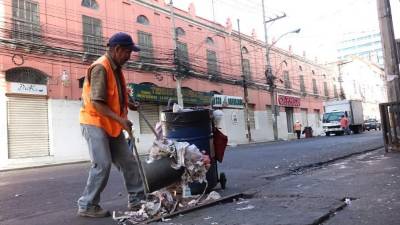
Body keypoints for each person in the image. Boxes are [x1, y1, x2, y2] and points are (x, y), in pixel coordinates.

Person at [77, 32, 144, 218]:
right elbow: (97, 103)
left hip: (111, 124)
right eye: (128, 52)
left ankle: (137, 199)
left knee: (128, 161)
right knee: (102, 164)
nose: (130, 56)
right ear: (117, 49)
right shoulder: (101, 67)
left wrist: (129, 104)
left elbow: (115, 95)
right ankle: (87, 204)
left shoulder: (115, 68)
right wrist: (121, 120)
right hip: (95, 122)